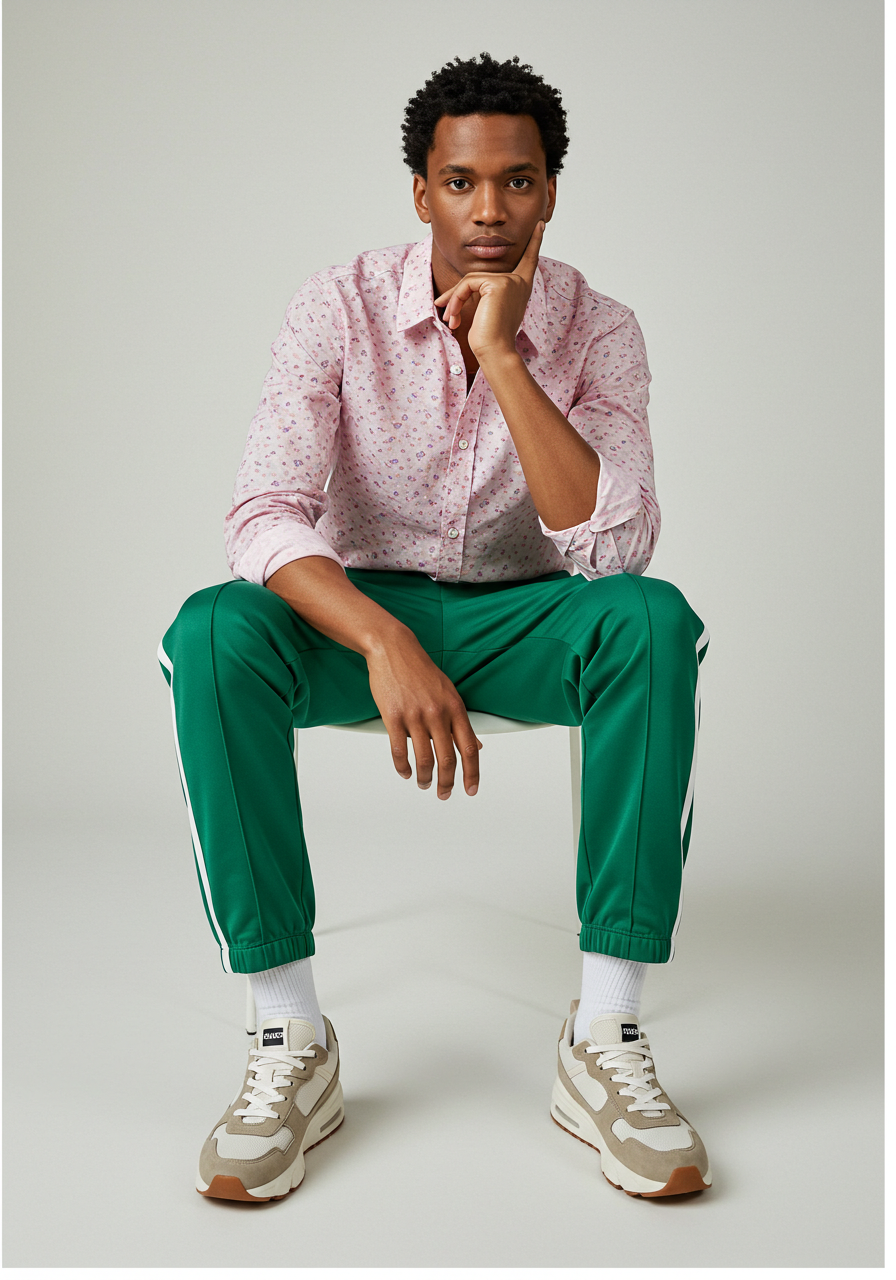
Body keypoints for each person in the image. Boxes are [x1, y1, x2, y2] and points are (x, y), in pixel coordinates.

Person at [159, 52, 711, 1204]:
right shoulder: (337, 304)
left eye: (516, 182)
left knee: (650, 620)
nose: (489, 211)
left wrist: (503, 355)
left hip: (526, 616)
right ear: (421, 192)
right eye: (461, 183)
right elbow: (261, 512)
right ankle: (286, 1039)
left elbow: (608, 548)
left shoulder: (599, 330)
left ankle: (604, 1035)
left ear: (550, 191)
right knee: (211, 631)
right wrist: (379, 639)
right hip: (359, 615)